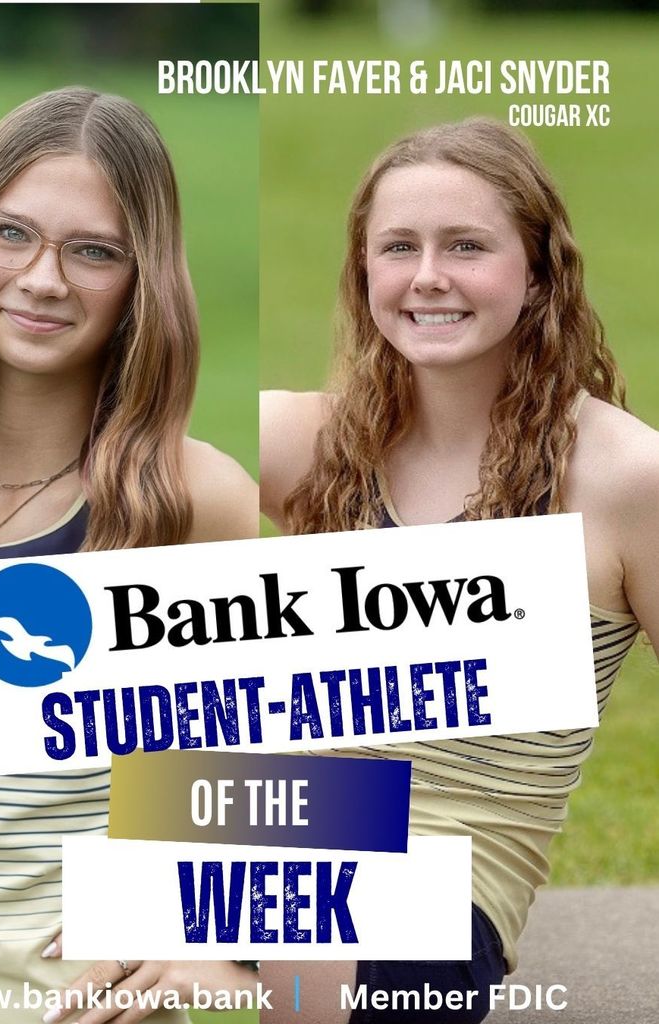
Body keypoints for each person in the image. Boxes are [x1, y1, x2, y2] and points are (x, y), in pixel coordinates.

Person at [0, 86, 258, 1023]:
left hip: (84, 999)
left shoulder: (195, 502)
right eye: (13, 234)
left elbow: (261, 776)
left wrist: (208, 940)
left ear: (143, 276)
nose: (42, 279)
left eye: (93, 251)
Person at [260, 117, 659, 1023]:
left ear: (539, 270)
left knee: (304, 959)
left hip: (440, 878)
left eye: (466, 246)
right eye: (397, 247)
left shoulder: (624, 478)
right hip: (275, 819)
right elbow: (106, 468)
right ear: (362, 273)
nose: (428, 276)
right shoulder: (310, 442)